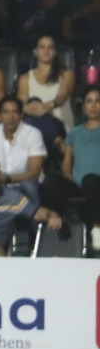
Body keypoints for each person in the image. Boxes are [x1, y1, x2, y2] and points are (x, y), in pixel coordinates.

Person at [0, 96, 46, 206]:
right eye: (6, 112)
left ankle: (34, 221)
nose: (10, 117)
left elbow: (34, 173)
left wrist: (8, 179)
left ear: (21, 115)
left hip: (23, 184)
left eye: (15, 112)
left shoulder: (33, 134)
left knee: (29, 186)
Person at [61, 86, 100, 248]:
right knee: (50, 181)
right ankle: (61, 231)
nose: (93, 105)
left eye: (98, 101)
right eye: (89, 101)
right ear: (83, 107)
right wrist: (67, 175)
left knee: (90, 180)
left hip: (96, 183)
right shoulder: (75, 133)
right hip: (78, 185)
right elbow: (67, 161)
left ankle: (97, 228)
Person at [17, 33, 75, 140]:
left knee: (34, 118)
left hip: (60, 126)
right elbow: (22, 103)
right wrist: (31, 108)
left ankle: (58, 142)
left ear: (55, 52)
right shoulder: (25, 78)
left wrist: (47, 106)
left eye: (50, 47)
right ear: (35, 52)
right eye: (42, 47)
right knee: (33, 107)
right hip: (33, 125)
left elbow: (62, 97)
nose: (46, 51)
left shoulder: (66, 73)